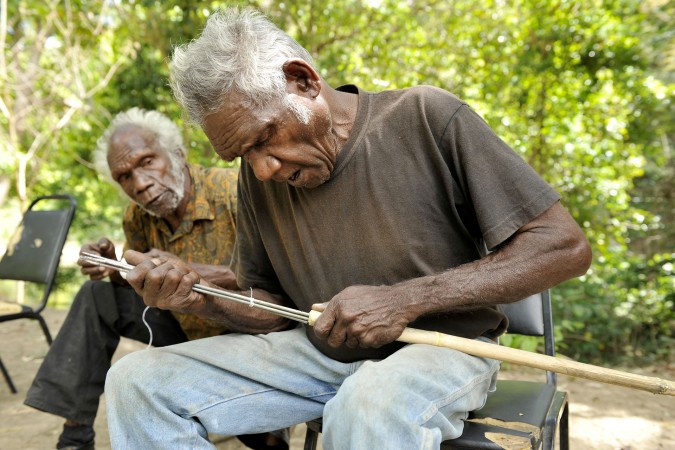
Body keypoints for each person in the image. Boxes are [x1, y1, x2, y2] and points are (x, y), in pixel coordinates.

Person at [105, 8, 592, 450]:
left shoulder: (425, 117)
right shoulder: (258, 181)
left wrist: (404, 300)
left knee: (370, 403)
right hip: (314, 356)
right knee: (137, 383)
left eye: (263, 139)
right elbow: (272, 310)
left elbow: (564, 246)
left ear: (303, 81)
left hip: (441, 350)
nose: (262, 170)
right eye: (242, 156)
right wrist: (199, 299)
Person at [24, 107, 289, 450]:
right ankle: (74, 437)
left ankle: (266, 426)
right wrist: (116, 269)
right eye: (124, 177)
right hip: (184, 330)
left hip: (246, 331)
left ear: (176, 154)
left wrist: (188, 270)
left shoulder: (232, 191)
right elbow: (142, 284)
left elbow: (277, 279)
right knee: (97, 295)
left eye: (147, 162)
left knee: (260, 436)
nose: (140, 183)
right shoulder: (138, 216)